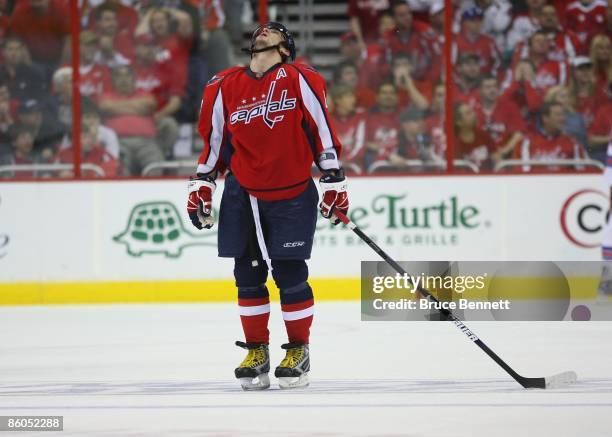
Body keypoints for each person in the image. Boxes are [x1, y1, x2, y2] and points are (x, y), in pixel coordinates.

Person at [186, 22, 348, 391]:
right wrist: (203, 182)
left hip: (290, 192)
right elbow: (214, 141)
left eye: (272, 31)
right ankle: (256, 351)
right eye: (259, 31)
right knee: (247, 275)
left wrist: (333, 177)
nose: (262, 32)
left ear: (285, 48)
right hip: (242, 194)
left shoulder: (298, 77)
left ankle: (298, 351)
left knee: (290, 274)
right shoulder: (223, 84)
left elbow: (320, 127)